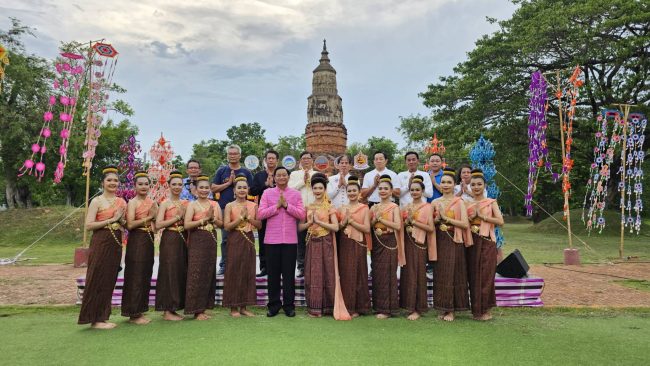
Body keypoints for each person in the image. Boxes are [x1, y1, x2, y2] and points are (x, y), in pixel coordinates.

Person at [78, 166, 127, 329]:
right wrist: (111, 219)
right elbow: (89, 225)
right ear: (103, 183)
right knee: (97, 277)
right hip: (101, 241)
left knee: (109, 279)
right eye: (109, 180)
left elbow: (124, 223)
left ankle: (102, 316)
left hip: (116, 242)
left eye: (115, 180)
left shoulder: (121, 202)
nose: (113, 183)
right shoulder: (97, 201)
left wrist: (121, 220)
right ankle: (93, 318)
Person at [299, 173, 350, 319]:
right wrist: (310, 223)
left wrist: (319, 222)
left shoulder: (330, 207)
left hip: (326, 242)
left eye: (320, 188)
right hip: (311, 242)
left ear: (325, 189)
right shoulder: (308, 207)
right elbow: (299, 228)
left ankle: (328, 307)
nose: (317, 191)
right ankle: (314, 308)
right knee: (313, 273)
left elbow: (335, 227)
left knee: (328, 272)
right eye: (315, 188)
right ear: (312, 190)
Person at [258, 166, 306, 317]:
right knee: (272, 274)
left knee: (288, 274)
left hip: (290, 240)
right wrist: (277, 206)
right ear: (274, 178)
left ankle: (289, 306)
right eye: (278, 175)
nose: (281, 178)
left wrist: (287, 206)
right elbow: (260, 214)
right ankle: (273, 305)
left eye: (284, 175)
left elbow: (301, 214)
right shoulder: (267, 193)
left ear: (288, 177)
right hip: (272, 240)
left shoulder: (296, 194)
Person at [432, 167, 472, 322]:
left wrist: (446, 219)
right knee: (440, 273)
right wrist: (437, 220)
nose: (446, 185)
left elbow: (464, 224)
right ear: (440, 185)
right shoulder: (435, 202)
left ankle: (452, 309)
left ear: (454, 184)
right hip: (439, 239)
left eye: (449, 182)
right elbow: (431, 223)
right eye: (443, 182)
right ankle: (442, 307)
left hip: (454, 240)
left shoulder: (459, 202)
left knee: (453, 274)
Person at [465, 169, 504, 321]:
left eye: (479, 184)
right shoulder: (466, 204)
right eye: (473, 184)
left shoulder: (491, 202)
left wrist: (482, 217)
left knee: (486, 276)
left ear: (484, 186)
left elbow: (500, 222)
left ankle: (485, 309)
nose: (476, 187)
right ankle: (476, 309)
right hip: (471, 242)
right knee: (473, 275)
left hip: (486, 241)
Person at [121, 171, 158, 325]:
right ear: (134, 186)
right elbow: (130, 225)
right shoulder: (132, 202)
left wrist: (153, 219)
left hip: (149, 239)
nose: (144, 186)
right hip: (137, 239)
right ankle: (133, 313)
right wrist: (149, 217)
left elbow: (155, 228)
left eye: (146, 184)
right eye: (140, 184)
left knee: (145, 275)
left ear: (150, 186)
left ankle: (140, 310)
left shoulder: (152, 202)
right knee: (135, 275)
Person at [184, 175, 222, 320]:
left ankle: (204, 307)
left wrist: (213, 219)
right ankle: (195, 309)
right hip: (197, 239)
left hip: (210, 240)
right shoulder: (192, 205)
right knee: (196, 273)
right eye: (201, 187)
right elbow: (187, 225)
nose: (204, 190)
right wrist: (204, 219)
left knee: (208, 273)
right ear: (195, 190)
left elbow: (221, 224)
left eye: (207, 188)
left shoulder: (215, 205)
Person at [223, 175, 262, 318]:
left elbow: (259, 225)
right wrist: (240, 219)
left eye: (244, 187)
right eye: (239, 187)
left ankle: (244, 306)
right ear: (234, 190)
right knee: (233, 270)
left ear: (248, 190)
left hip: (249, 239)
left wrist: (248, 218)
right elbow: (226, 226)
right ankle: (233, 307)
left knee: (247, 271)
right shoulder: (229, 206)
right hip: (235, 238)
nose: (242, 190)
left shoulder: (253, 206)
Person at [211, 145, 253, 275]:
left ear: (240, 156)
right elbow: (213, 188)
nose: (233, 156)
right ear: (227, 155)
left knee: (243, 235)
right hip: (225, 208)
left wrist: (239, 186)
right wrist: (228, 184)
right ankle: (224, 264)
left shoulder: (246, 172)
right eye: (230, 153)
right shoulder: (222, 171)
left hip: (243, 208)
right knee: (225, 238)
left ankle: (241, 263)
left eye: (235, 153)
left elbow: (250, 190)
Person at [399, 176, 436, 320]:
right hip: (407, 242)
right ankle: (408, 306)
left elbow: (430, 228)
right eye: (412, 190)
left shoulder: (427, 207)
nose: (414, 192)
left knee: (418, 274)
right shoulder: (406, 207)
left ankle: (418, 308)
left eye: (417, 190)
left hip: (419, 243)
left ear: (422, 191)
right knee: (407, 273)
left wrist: (414, 222)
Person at [155, 170, 189, 321]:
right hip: (170, 237)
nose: (177, 187)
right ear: (169, 186)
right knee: (169, 271)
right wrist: (177, 217)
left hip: (183, 238)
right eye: (174, 184)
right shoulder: (165, 203)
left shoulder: (185, 203)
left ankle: (175, 307)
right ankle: (167, 309)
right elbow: (159, 224)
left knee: (180, 271)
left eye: (180, 184)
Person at [369, 174, 405, 319]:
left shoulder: (394, 207)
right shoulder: (374, 207)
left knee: (387, 274)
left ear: (391, 191)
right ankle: (378, 306)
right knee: (377, 274)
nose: (383, 191)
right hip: (377, 242)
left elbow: (397, 225)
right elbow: (369, 226)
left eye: (386, 189)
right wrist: (374, 221)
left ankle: (388, 309)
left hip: (390, 242)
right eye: (380, 188)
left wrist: (381, 219)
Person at [337, 176, 371, 317]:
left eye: (354, 191)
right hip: (344, 243)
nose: (351, 193)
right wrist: (344, 223)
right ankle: (347, 306)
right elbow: (338, 228)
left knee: (358, 273)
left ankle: (359, 307)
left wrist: (351, 222)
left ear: (359, 193)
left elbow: (367, 229)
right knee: (346, 274)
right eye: (349, 191)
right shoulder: (341, 208)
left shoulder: (364, 208)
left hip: (358, 243)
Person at [250, 150, 279, 277]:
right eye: (269, 158)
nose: (271, 160)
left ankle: (278, 267)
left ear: (277, 160)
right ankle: (264, 267)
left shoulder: (282, 173)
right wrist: (265, 185)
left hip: (280, 211)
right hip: (264, 211)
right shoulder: (259, 176)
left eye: (273, 158)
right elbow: (252, 191)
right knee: (263, 239)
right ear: (265, 160)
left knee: (279, 239)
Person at [288, 151, 316, 277]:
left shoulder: (317, 174)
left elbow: (321, 190)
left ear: (312, 160)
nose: (306, 160)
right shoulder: (294, 174)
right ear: (300, 161)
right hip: (299, 210)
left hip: (315, 210)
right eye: (303, 158)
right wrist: (303, 182)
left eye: (308, 158)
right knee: (300, 240)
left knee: (315, 238)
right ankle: (301, 267)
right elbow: (290, 190)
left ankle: (314, 265)